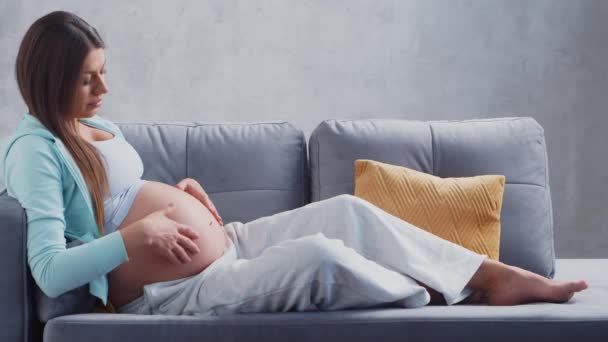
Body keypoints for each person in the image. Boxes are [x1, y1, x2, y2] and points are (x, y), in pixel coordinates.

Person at [1, 10, 588, 317]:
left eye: (104, 70)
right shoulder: (34, 153)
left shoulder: (89, 125)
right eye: (86, 79)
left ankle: (493, 276)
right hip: (178, 290)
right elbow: (51, 269)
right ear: (51, 81)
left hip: (226, 243)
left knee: (349, 213)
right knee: (321, 260)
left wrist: (175, 190)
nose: (104, 87)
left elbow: (115, 196)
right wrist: (135, 236)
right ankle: (438, 292)